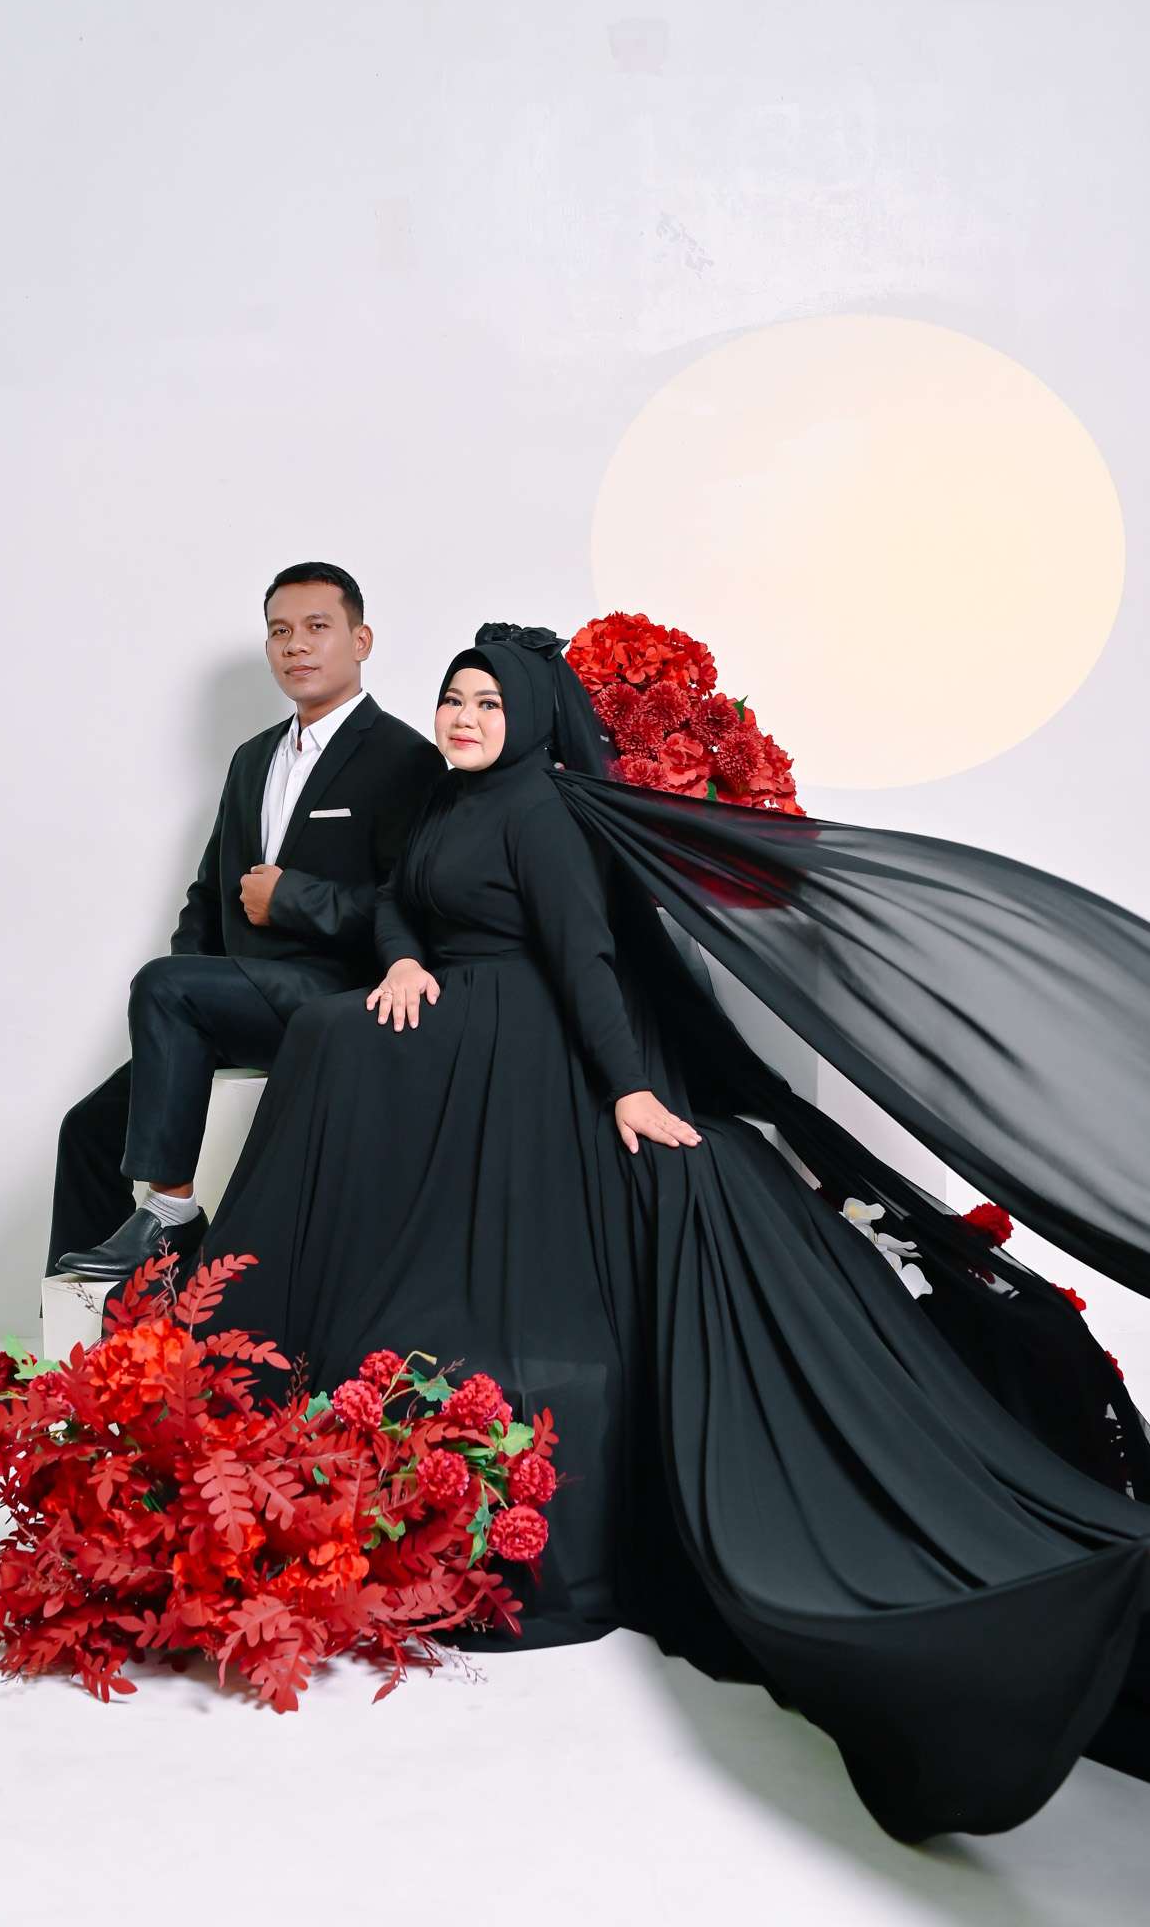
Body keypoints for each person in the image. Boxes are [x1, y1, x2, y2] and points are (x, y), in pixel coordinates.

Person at [193, 623, 1150, 1842]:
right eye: (453, 698)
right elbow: (394, 905)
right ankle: (253, 1340)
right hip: (456, 1020)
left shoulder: (539, 811)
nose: (465, 716)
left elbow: (585, 955)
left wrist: (631, 1087)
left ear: (529, 720)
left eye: (488, 702)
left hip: (530, 1049)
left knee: (334, 1048)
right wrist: (402, 959)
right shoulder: (445, 801)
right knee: (337, 1036)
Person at [46, 562, 444, 1282]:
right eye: (280, 632)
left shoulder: (405, 758)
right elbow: (207, 896)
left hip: (335, 996)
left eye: (317, 627)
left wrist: (292, 899)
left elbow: (412, 908)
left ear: (361, 641)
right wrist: (185, 1000)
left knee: (165, 984)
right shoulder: (253, 758)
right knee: (88, 1128)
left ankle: (171, 1214)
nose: (297, 645)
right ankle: (83, 1330)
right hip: (237, 997)